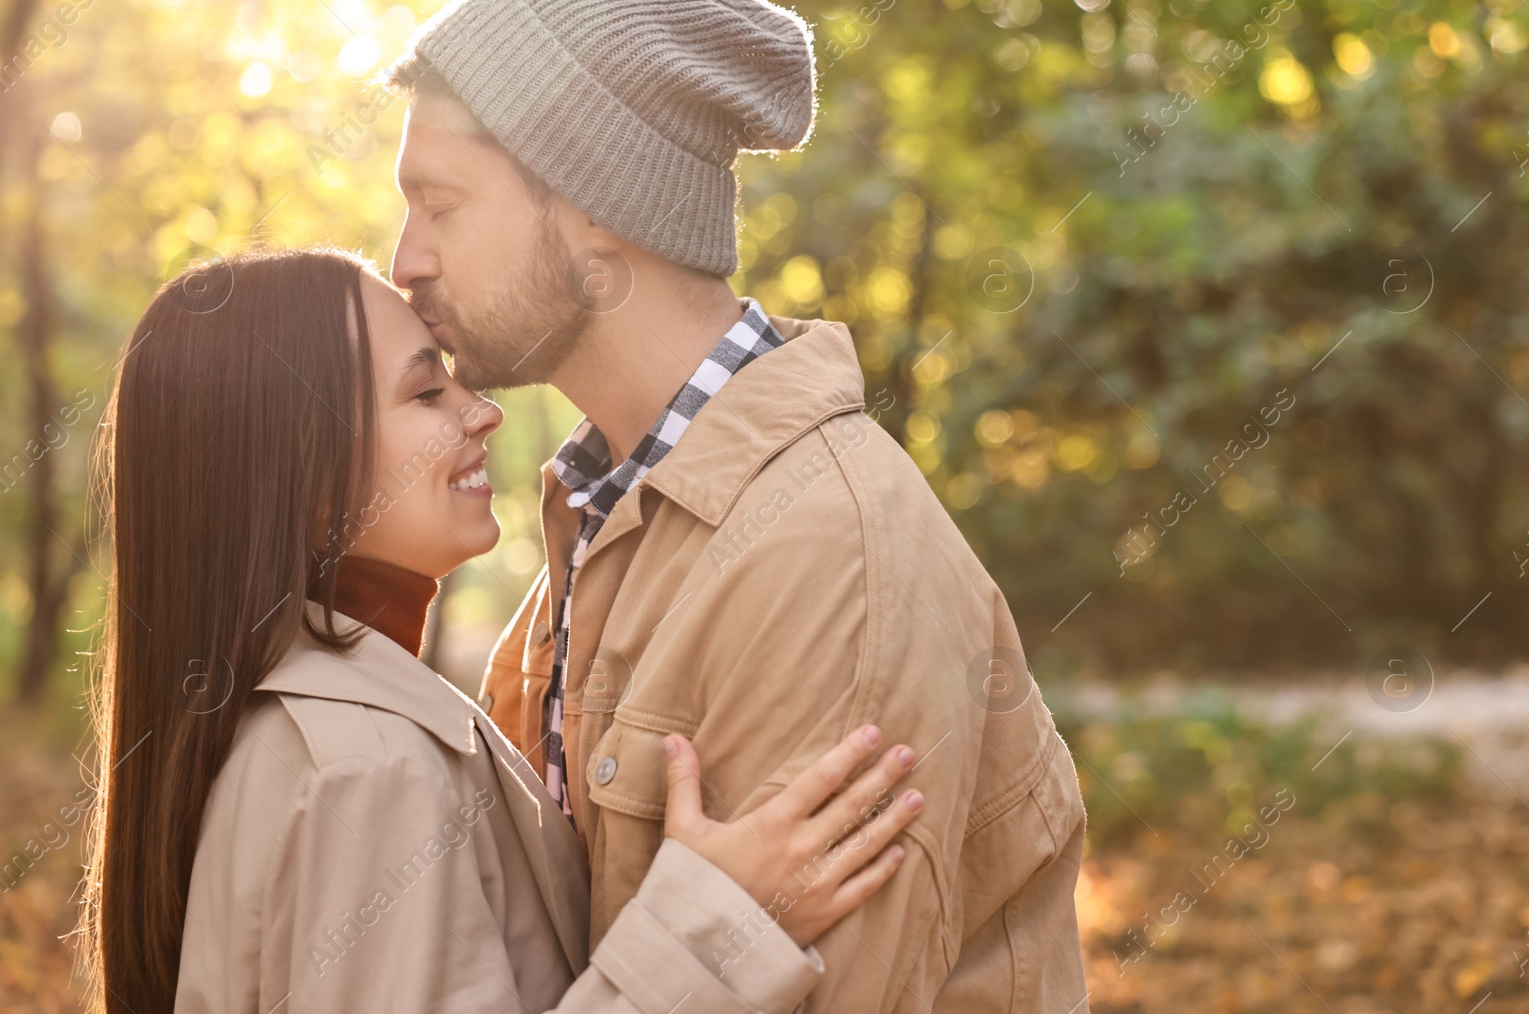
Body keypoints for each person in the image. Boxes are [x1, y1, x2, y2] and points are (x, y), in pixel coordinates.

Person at [386, 0, 1089, 1010]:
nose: (406, 259)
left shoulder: (821, 554)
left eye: (438, 204)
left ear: (592, 201)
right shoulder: (599, 523)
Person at [78, 246, 925, 1013]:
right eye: (425, 391)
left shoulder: (299, 731)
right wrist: (717, 934)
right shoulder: (365, 771)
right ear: (308, 480)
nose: (482, 411)